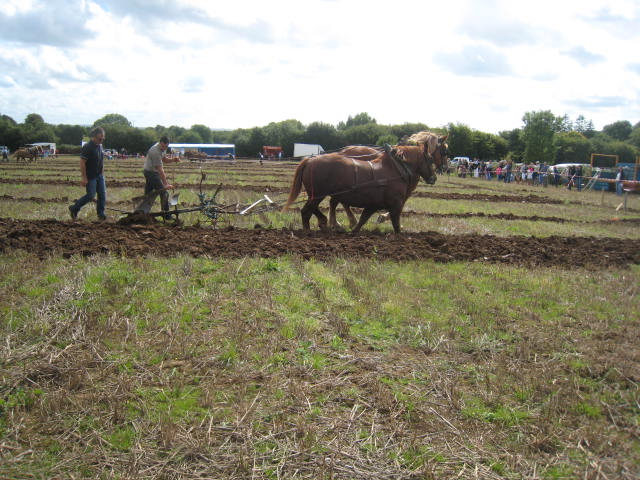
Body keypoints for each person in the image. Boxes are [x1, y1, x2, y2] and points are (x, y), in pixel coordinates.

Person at [69, 127, 107, 220]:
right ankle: (74, 208)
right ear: (95, 136)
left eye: (103, 137)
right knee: (90, 195)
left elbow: (101, 160)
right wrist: (84, 177)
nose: (102, 139)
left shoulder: (100, 146)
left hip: (99, 175)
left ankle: (101, 214)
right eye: (100, 137)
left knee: (102, 194)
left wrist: (102, 172)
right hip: (90, 176)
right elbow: (82, 162)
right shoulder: (87, 147)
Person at [143, 136, 180, 216]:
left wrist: (173, 160)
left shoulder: (163, 148)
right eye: (163, 146)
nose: (164, 148)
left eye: (166, 147)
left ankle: (142, 212)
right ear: (160, 143)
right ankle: (166, 215)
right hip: (150, 173)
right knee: (164, 192)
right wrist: (165, 184)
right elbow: (160, 169)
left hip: (153, 172)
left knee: (148, 194)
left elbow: (164, 159)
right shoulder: (155, 151)